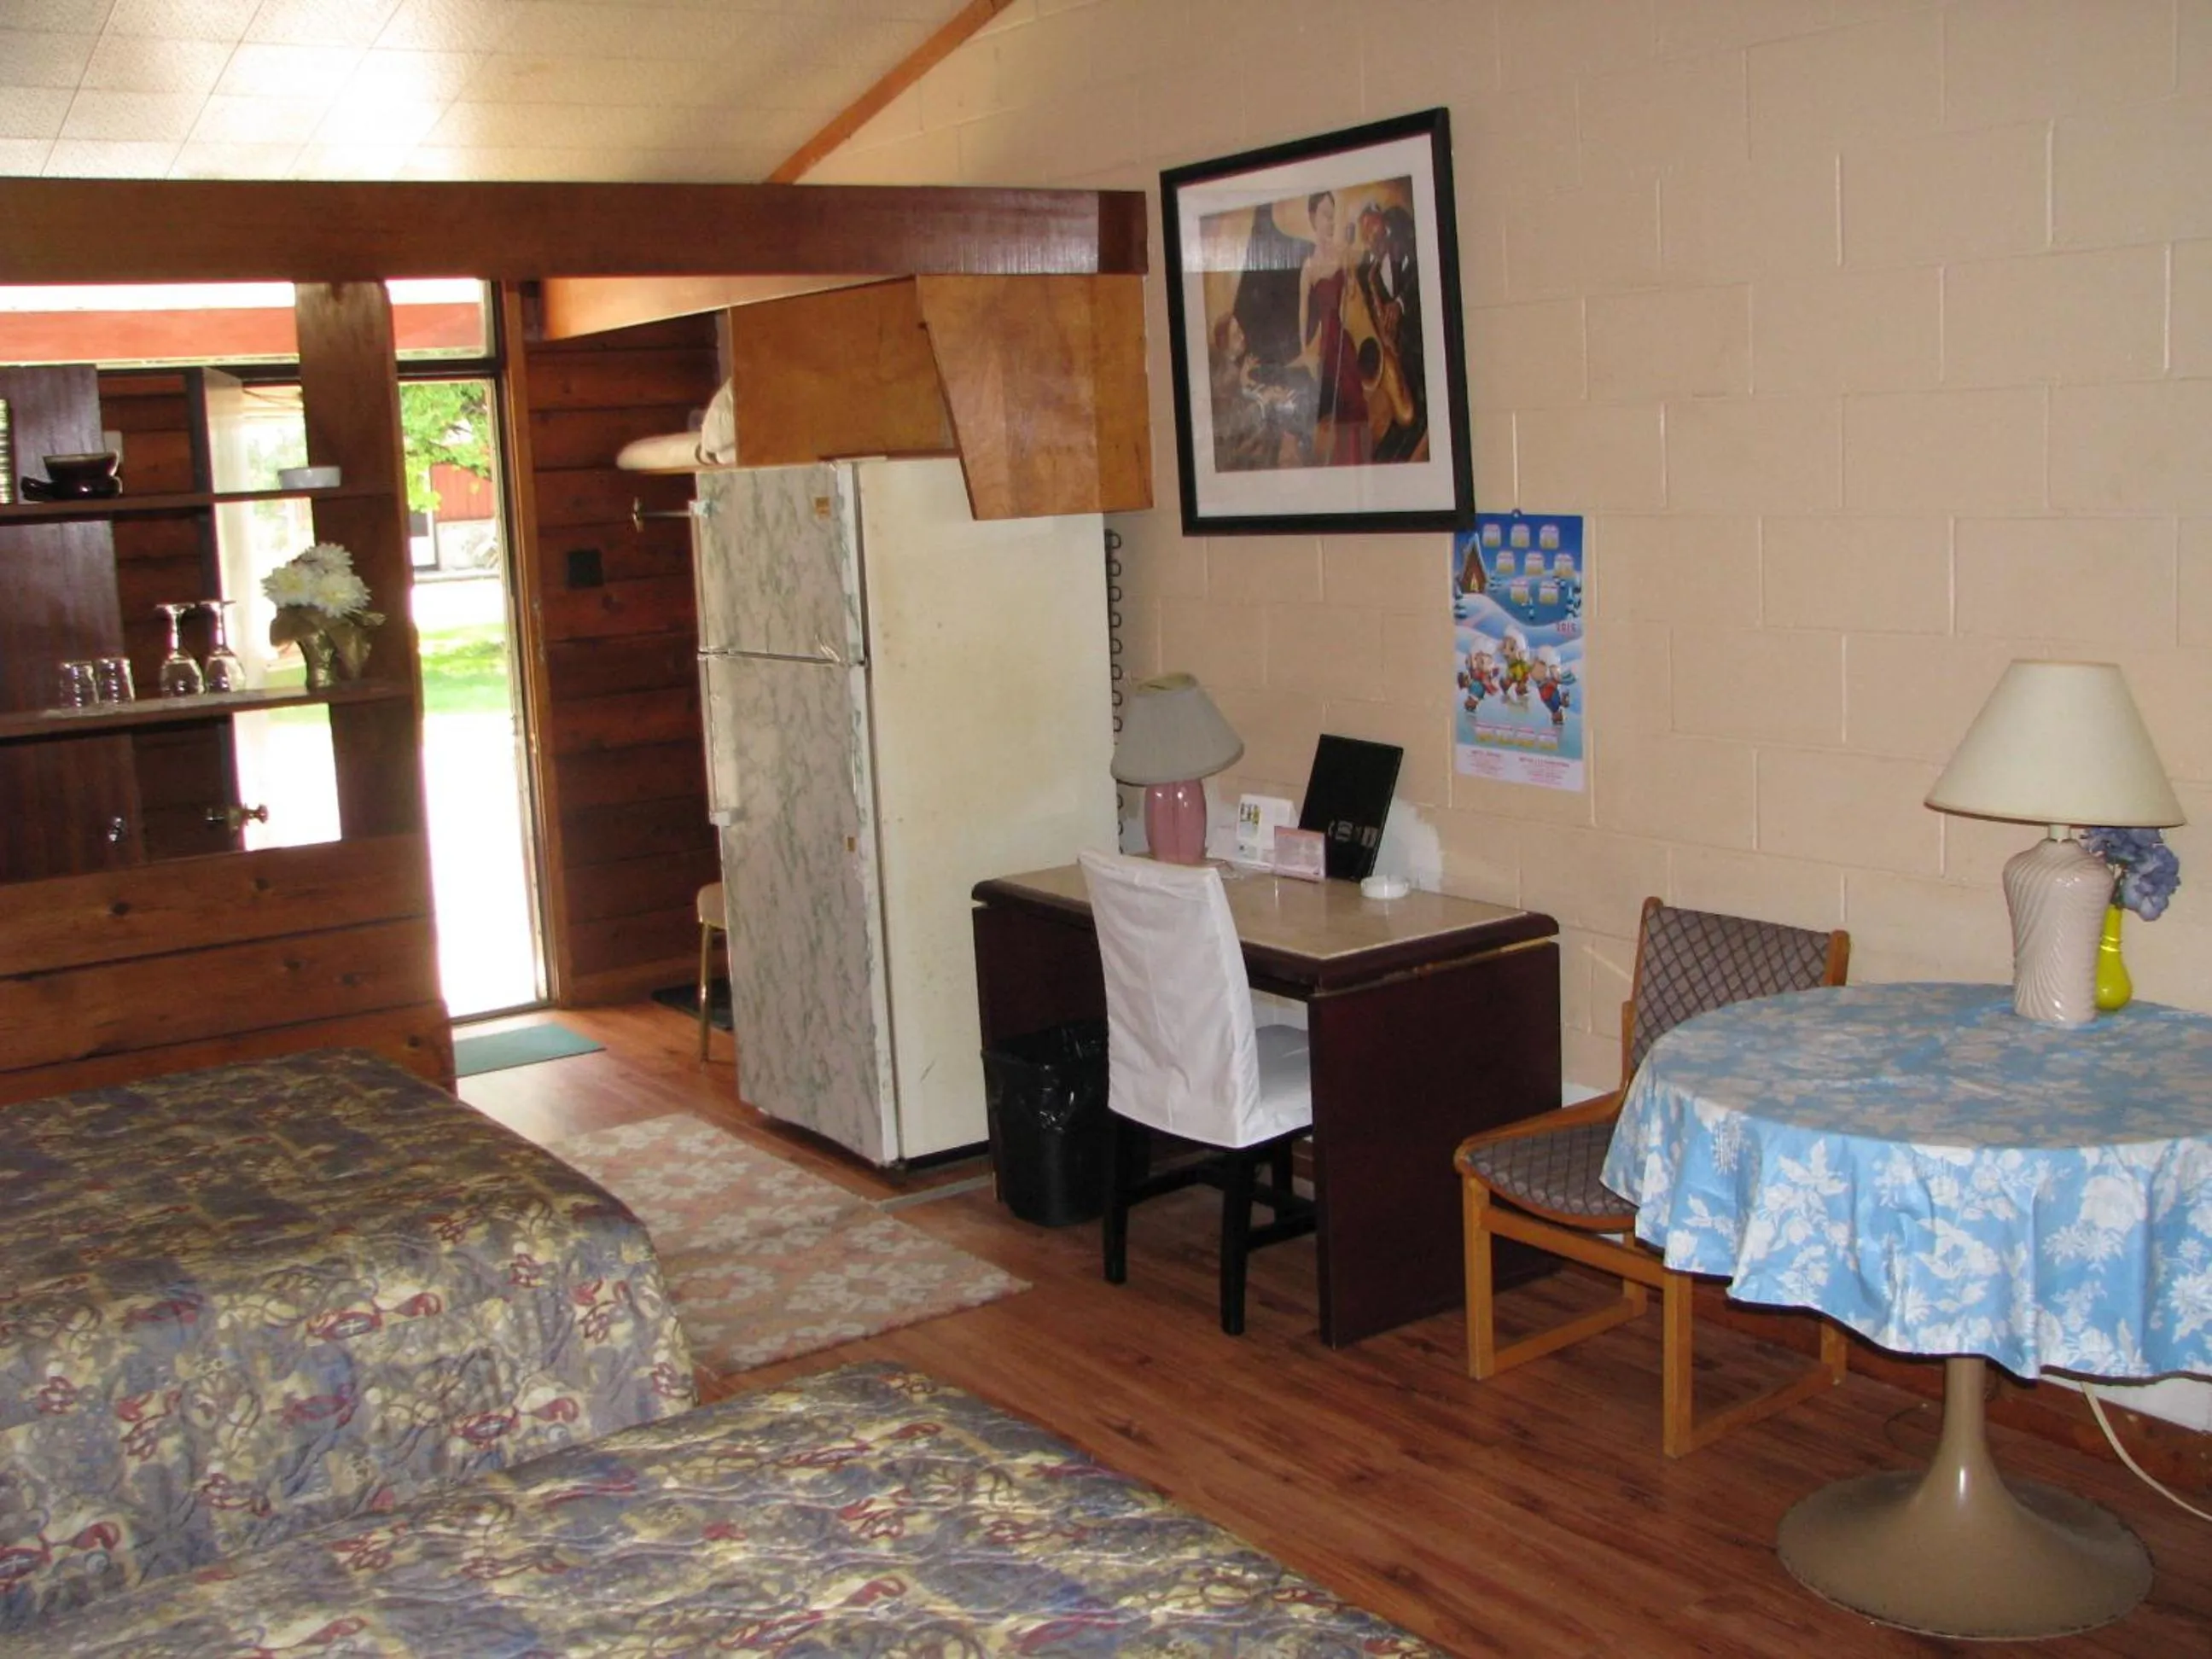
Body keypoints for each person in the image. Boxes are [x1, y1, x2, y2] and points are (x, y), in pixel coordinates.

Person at [1296, 190, 1371, 467]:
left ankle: (1357, 467)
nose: (1330, 222)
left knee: (1355, 403)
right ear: (1313, 218)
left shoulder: (1341, 253)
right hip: (1325, 344)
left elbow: (1350, 294)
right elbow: (1303, 315)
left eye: (1333, 215)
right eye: (1325, 215)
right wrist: (1305, 352)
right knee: (1338, 407)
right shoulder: (1309, 268)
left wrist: (1350, 273)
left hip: (1343, 337)